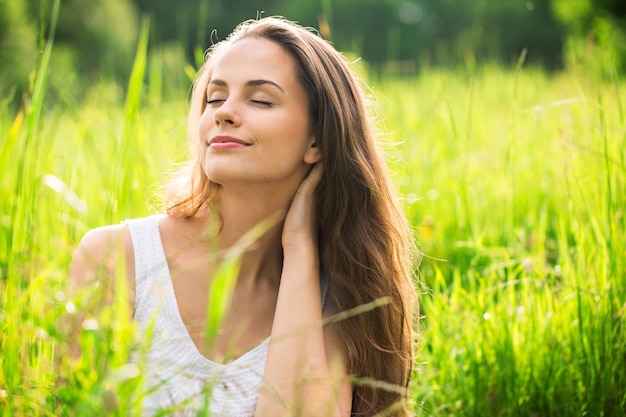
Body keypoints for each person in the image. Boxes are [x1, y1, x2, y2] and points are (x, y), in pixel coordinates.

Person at [69, 16, 418, 417]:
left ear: (317, 139)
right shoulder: (115, 259)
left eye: (260, 100)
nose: (224, 113)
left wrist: (300, 249)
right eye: (215, 98)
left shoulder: (338, 300)